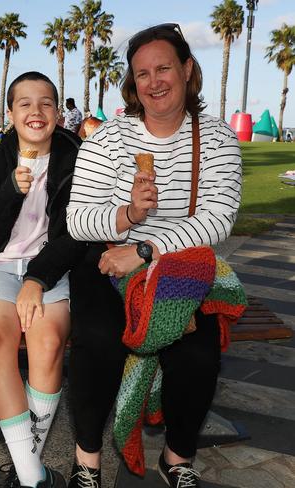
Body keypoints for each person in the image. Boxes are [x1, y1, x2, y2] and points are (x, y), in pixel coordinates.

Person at [66, 23, 242, 488]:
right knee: (98, 339)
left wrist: (146, 250)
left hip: (180, 265)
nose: (154, 81)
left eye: (164, 67)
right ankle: (86, 461)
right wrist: (126, 215)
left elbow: (218, 218)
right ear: (133, 82)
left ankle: (176, 457)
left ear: (187, 69)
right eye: (142, 73)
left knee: (199, 354)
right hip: (106, 260)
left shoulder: (218, 139)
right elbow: (78, 218)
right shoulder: (109, 138)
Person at [0, 71, 85, 488]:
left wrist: (37, 278)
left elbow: (78, 233)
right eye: (25, 103)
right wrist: (9, 192)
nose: (35, 112)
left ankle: (25, 466)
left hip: (52, 266)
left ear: (58, 112)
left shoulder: (77, 157)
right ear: (10, 113)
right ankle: (34, 476)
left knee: (49, 340)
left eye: (45, 103)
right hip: (0, 266)